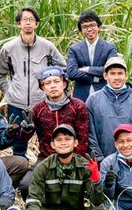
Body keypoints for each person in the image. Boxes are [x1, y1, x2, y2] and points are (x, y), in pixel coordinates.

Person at [0, 6, 66, 157]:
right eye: (24, 20)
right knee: (18, 144)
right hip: (16, 104)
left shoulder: (47, 46)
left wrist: (50, 87)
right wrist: (10, 92)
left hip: (42, 103)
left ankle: (45, 168)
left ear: (36, 24)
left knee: (47, 141)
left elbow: (62, 68)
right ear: (18, 24)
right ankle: (20, 169)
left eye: (31, 20)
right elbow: (0, 74)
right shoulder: (8, 48)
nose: (28, 23)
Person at [22, 124, 105, 210]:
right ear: (53, 145)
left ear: (75, 143)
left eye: (67, 139)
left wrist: (96, 180)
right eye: (59, 140)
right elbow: (33, 200)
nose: (63, 143)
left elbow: (96, 202)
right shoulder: (43, 167)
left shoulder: (85, 166)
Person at [18, 66, 90, 197]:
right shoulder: (37, 109)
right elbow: (23, 139)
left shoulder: (78, 106)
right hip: (46, 157)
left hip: (73, 157)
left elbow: (83, 139)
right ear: (43, 88)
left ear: (64, 84)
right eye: (47, 83)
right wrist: (26, 131)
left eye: (56, 81)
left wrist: (73, 162)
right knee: (26, 185)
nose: (52, 86)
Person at [87, 57, 132, 162]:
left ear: (126, 76)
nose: (116, 77)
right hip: (103, 162)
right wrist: (100, 160)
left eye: (120, 73)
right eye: (112, 73)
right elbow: (90, 134)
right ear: (105, 75)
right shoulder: (93, 100)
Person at [67, 10, 118, 102]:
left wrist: (87, 69)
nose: (89, 29)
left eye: (92, 25)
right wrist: (95, 78)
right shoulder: (74, 49)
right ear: (81, 30)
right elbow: (71, 73)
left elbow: (111, 70)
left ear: (98, 27)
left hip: (105, 94)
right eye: (85, 27)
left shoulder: (109, 47)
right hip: (81, 96)